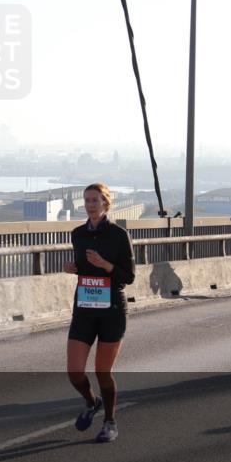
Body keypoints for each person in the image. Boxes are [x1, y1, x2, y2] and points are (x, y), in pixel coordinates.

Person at [63, 183, 135, 442]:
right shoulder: (78, 234)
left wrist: (105, 265)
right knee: (74, 371)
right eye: (87, 200)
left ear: (106, 203)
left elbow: (129, 276)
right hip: (84, 307)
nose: (90, 205)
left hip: (111, 309)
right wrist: (73, 268)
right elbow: (83, 266)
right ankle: (92, 402)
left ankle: (110, 421)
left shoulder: (119, 235)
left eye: (95, 200)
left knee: (102, 371)